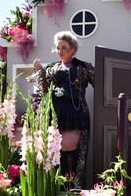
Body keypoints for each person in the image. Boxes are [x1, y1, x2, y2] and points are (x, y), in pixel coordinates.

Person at [32, 31, 94, 188]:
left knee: (78, 154)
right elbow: (44, 91)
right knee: (55, 152)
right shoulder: (51, 68)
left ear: (72, 48)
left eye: (63, 47)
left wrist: (104, 59)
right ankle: (57, 190)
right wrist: (39, 71)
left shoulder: (84, 67)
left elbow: (103, 82)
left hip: (78, 114)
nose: (60, 51)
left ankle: (76, 191)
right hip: (56, 115)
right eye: (57, 48)